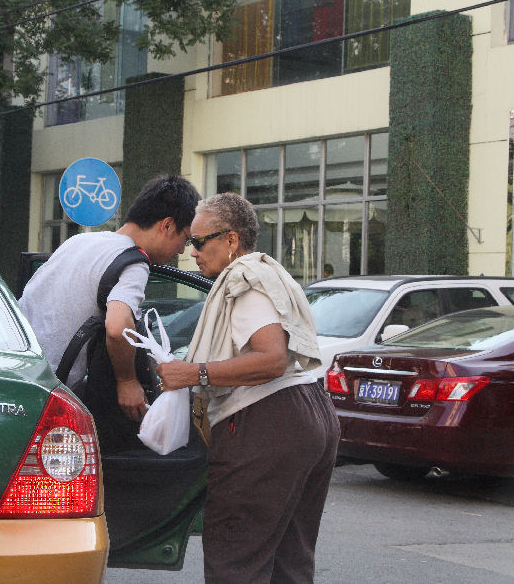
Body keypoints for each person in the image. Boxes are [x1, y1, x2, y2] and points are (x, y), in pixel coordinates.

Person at [156, 192, 340, 584]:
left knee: (236, 560)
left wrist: (192, 374)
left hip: (267, 419)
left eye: (199, 241)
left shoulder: (245, 279)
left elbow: (271, 359)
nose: (192, 252)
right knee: (290, 560)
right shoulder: (272, 274)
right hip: (310, 411)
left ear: (231, 241)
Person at [19, 174, 199, 424]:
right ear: (167, 226)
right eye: (185, 239)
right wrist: (127, 382)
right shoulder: (134, 262)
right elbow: (116, 328)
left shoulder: (79, 241)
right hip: (50, 393)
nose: (182, 250)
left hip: (19, 373)